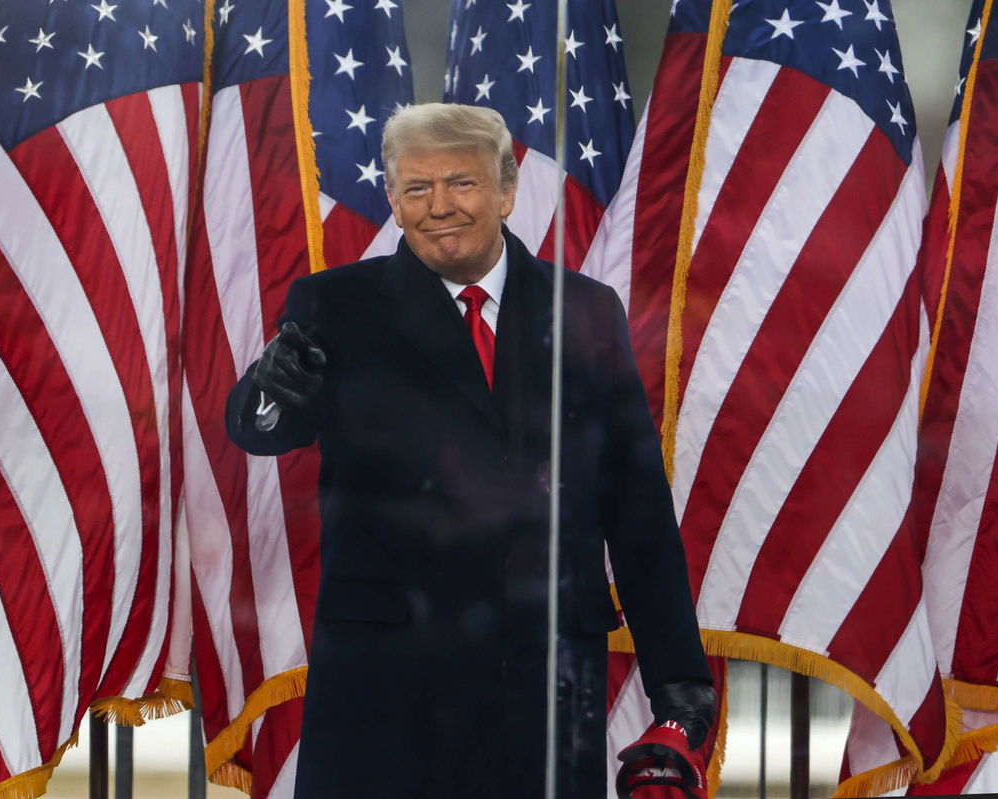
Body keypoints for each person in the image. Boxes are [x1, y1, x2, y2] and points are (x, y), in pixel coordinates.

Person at [226, 103, 713, 799]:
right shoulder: (334, 306)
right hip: (388, 684)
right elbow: (261, 430)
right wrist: (268, 391)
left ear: (507, 192)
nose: (439, 206)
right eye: (417, 189)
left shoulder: (585, 310)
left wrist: (679, 683)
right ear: (392, 199)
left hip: (545, 679)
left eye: (462, 183)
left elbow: (637, 511)